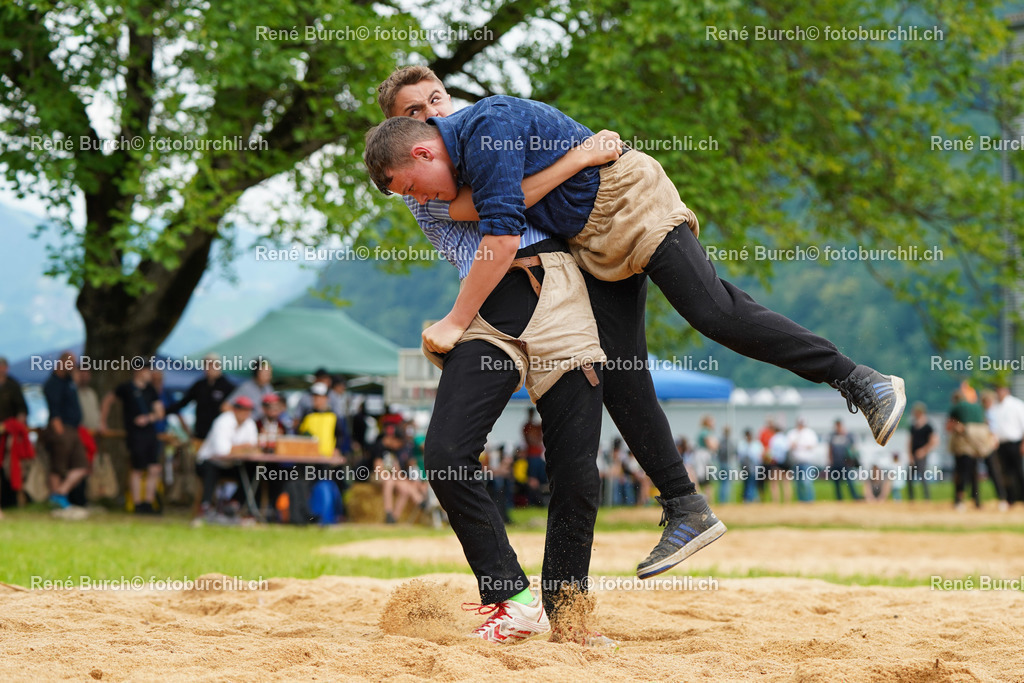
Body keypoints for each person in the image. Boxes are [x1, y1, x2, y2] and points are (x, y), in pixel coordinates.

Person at [372, 67, 724, 645]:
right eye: (415, 112)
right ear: (402, 135)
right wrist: (577, 159)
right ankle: (509, 594)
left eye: (436, 101)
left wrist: (578, 162)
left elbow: (519, 195)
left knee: (576, 472)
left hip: (559, 292)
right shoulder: (423, 188)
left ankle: (569, 617)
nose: (433, 114)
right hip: (485, 302)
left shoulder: (488, 140)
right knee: (445, 454)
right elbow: (503, 213)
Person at [366, 88, 907, 448]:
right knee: (619, 367)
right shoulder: (462, 164)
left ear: (421, 151)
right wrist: (575, 158)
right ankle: (682, 505)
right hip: (590, 237)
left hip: (626, 200)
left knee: (712, 310)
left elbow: (501, 235)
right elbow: (476, 208)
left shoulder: (487, 129)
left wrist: (455, 322)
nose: (422, 200)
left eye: (414, 187)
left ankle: (861, 380)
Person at [101, 367, 165, 514]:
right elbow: (108, 400)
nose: (150, 373)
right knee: (137, 468)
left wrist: (148, 418)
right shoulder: (126, 388)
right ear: (139, 371)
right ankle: (137, 504)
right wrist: (103, 422)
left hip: (150, 433)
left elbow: (160, 412)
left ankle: (148, 503)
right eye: (147, 369)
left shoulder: (150, 390)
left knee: (153, 468)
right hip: (135, 434)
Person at [195, 396, 258, 519]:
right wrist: (244, 447)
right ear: (235, 410)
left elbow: (253, 447)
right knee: (211, 469)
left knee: (254, 472)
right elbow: (222, 451)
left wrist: (236, 448)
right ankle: (206, 505)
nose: (246, 413)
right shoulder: (223, 421)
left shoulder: (250, 423)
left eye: (248, 410)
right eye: (243, 409)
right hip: (209, 461)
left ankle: (233, 503)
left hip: (232, 463)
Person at [41, 351, 89, 509]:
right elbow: (54, 410)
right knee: (58, 466)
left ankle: (59, 493)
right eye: (71, 362)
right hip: (61, 429)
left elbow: (80, 378)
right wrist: (59, 432)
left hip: (74, 429)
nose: (73, 365)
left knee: (81, 466)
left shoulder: (69, 381)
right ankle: (56, 502)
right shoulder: (53, 383)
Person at [166, 354, 237, 441]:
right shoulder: (200, 385)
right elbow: (184, 402)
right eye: (206, 365)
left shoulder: (228, 386)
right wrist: (166, 411)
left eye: (212, 365)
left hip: (219, 432)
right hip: (201, 431)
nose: (209, 369)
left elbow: (235, 409)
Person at [947, 390, 989, 510]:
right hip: (977, 444)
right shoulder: (977, 407)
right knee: (974, 473)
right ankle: (977, 501)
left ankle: (959, 500)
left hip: (963, 445)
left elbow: (949, 426)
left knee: (961, 473)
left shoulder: (957, 407)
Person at [0, 356, 30, 513]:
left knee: (11, 468)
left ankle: (10, 502)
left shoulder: (13, 386)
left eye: (3, 366)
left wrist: (17, 427)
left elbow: (22, 410)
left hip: (8, 435)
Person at [989, 384, 1024, 507]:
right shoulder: (995, 407)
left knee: (1018, 470)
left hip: (1015, 442)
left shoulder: (1017, 405)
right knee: (1005, 473)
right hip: (1001, 444)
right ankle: (1011, 498)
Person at [979, 390, 1009, 511]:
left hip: (992, 445)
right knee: (992, 472)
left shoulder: (993, 413)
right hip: (986, 445)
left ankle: (1003, 497)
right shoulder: (986, 413)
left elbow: (994, 430)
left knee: (996, 472)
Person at [907, 402, 938, 501]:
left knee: (922, 476)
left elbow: (934, 441)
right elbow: (910, 442)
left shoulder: (928, 426)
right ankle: (911, 498)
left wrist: (924, 451)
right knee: (909, 477)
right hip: (914, 454)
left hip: (922, 455)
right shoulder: (913, 426)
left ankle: (926, 498)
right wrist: (910, 455)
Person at [828, 420, 861, 501]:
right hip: (836, 463)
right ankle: (839, 499)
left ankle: (855, 497)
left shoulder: (848, 435)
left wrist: (852, 459)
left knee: (850, 482)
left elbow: (853, 448)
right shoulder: (833, 436)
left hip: (846, 464)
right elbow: (830, 450)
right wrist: (830, 461)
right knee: (837, 483)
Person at [787, 418, 818, 503]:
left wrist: (799, 445)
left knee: (807, 482)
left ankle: (809, 500)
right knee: (798, 483)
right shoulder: (792, 433)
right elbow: (790, 445)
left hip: (807, 462)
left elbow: (812, 446)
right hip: (795, 462)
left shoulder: (809, 433)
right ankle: (801, 500)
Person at [736, 429, 762, 503]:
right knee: (746, 483)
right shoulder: (742, 444)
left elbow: (759, 455)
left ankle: (751, 498)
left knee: (752, 482)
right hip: (745, 467)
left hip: (754, 467)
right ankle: (748, 498)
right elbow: (740, 456)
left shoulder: (756, 444)